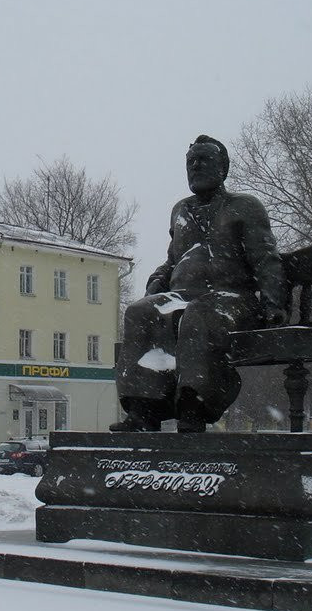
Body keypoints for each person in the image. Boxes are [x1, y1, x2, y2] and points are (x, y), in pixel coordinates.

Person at [110, 135, 286, 433]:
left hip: (233, 299)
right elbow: (172, 260)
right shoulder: (180, 210)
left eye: (204, 160)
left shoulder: (244, 206)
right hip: (183, 296)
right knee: (139, 312)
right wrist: (157, 280)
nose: (196, 166)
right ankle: (143, 409)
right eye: (191, 162)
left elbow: (266, 258)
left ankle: (194, 403)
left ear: (223, 168)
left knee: (199, 314)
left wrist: (274, 303)